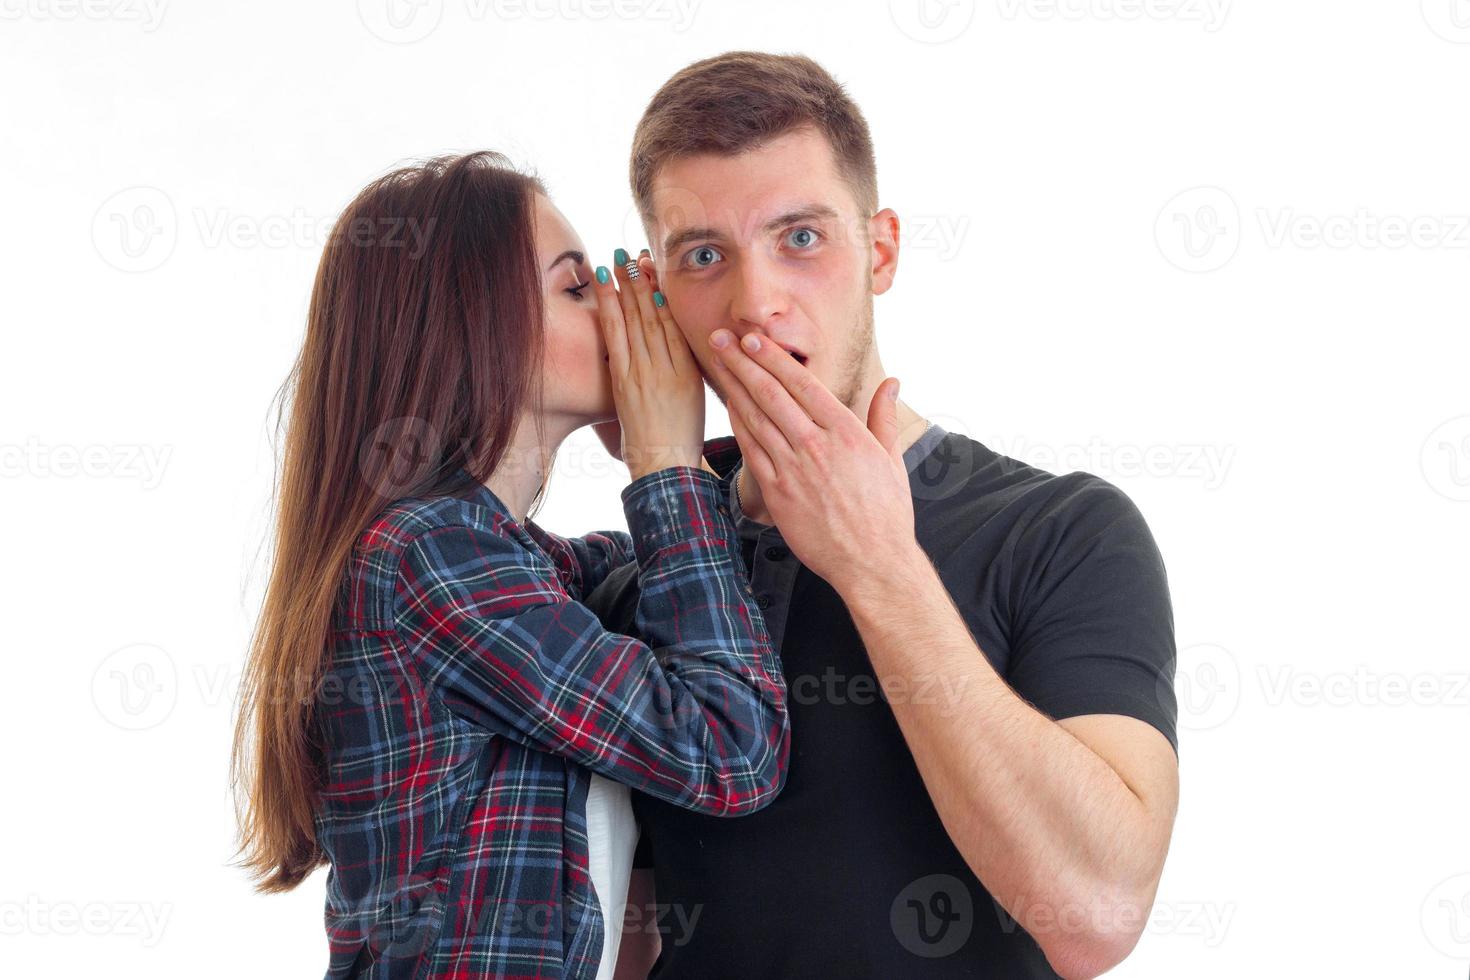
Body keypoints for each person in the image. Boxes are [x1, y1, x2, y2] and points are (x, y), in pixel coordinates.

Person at [590, 52, 1180, 980]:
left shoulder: (1062, 529)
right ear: (658, 293)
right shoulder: (649, 577)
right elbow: (620, 930)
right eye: (705, 255)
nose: (757, 302)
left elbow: (1096, 917)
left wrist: (876, 564)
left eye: (802, 238)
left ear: (883, 249)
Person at [229, 150, 790, 979]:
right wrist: (661, 462)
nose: (621, 303)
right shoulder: (427, 555)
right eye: (576, 286)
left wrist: (679, 462)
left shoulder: (520, 565)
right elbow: (731, 748)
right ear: (471, 328)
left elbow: (683, 576)